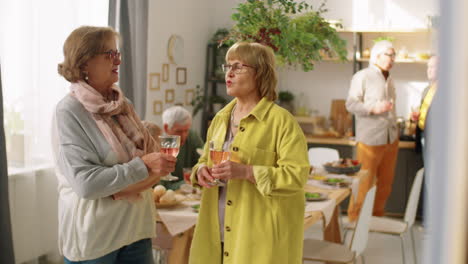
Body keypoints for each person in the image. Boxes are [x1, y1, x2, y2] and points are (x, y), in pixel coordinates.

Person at [53, 26, 176, 264]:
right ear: (84, 62)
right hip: (96, 237)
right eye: (109, 54)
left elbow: (155, 162)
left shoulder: (122, 104)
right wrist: (142, 166)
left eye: (117, 53)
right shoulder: (69, 111)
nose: (118, 59)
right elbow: (87, 185)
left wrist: (121, 184)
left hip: (136, 228)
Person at [188, 42, 309, 264]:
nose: (229, 73)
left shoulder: (282, 122)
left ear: (260, 73)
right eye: (227, 67)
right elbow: (204, 160)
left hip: (257, 240)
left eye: (238, 67)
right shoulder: (220, 118)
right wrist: (201, 171)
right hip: (216, 231)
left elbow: (296, 175)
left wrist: (246, 172)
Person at [345, 40, 399, 221]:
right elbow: (351, 104)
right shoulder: (363, 76)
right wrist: (373, 108)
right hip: (370, 139)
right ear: (377, 56)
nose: (392, 59)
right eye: (389, 55)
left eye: (394, 55)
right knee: (364, 183)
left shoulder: (389, 79)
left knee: (385, 184)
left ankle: (376, 219)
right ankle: (355, 219)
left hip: (391, 138)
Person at [161, 106, 204, 190]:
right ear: (166, 128)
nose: (184, 136)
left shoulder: (192, 136)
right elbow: (162, 187)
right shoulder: (157, 145)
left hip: (192, 191)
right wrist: (188, 181)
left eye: (186, 130)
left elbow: (204, 161)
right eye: (179, 131)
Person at [411, 55, 438, 160]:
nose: (429, 70)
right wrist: (417, 115)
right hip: (424, 135)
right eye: (428, 67)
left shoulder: (447, 91)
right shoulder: (427, 90)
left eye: (433, 67)